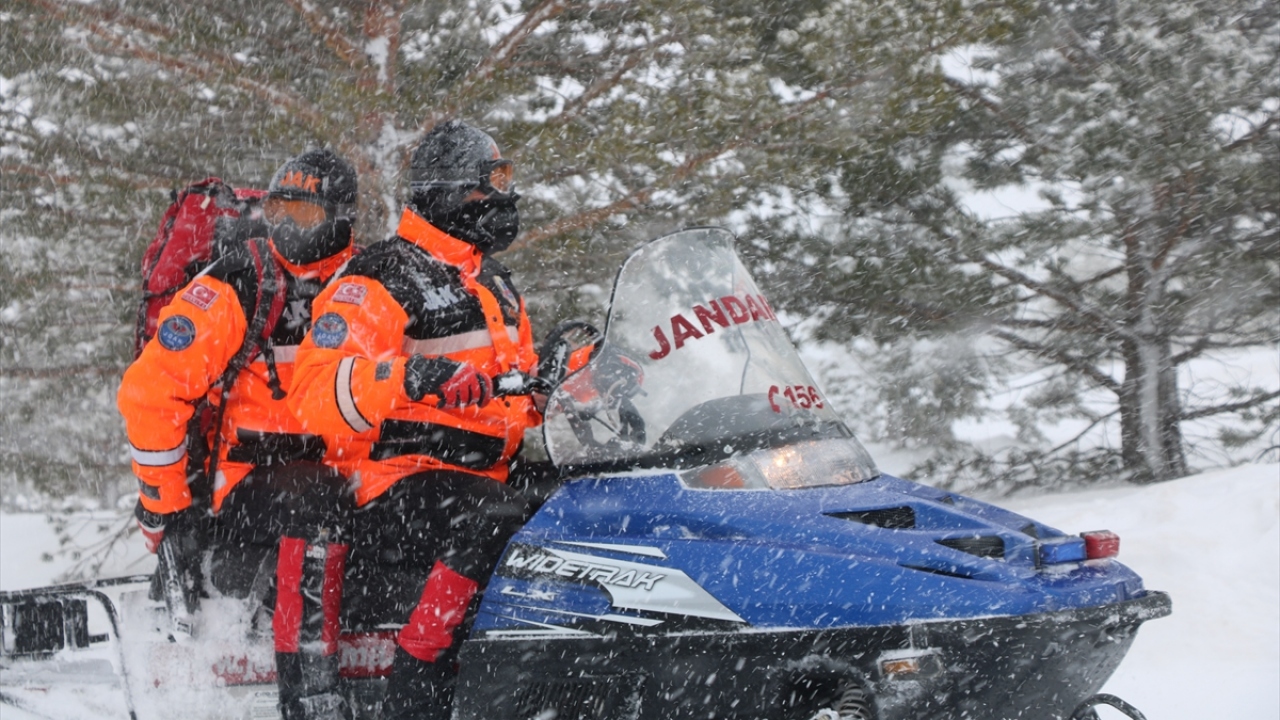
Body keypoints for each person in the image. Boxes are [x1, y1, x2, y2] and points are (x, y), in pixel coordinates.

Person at [288, 120, 541, 720]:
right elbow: (314, 390)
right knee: (489, 513)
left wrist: (577, 374)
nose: (504, 198)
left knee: (590, 499)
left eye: (506, 182)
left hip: (486, 471)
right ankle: (416, 681)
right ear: (451, 192)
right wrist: (412, 378)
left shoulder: (494, 284)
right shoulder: (377, 277)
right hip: (396, 478)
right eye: (491, 184)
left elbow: (517, 387)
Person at [118, 148, 360, 720]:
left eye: (304, 215)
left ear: (342, 218)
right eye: (279, 209)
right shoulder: (240, 278)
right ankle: (310, 695)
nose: (286, 226)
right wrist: (166, 507)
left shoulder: (370, 277)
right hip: (257, 479)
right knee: (314, 499)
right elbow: (151, 392)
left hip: (365, 472)